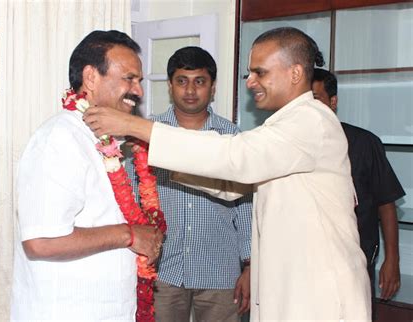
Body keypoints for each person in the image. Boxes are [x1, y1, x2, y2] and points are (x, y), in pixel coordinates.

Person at [83, 27, 372, 321]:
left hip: (318, 292)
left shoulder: (310, 121)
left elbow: (238, 159)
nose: (250, 82)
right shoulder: (284, 125)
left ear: (295, 73)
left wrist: (133, 126)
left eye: (260, 72)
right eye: (250, 73)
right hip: (292, 283)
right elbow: (233, 183)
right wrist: (158, 158)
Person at [10, 30, 164, 321]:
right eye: (129, 78)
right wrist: (129, 235)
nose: (139, 91)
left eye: (140, 81)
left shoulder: (106, 141)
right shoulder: (59, 139)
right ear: (91, 77)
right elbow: (41, 241)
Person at [126, 46, 252, 322]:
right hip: (162, 270)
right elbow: (131, 198)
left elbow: (245, 207)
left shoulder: (231, 137)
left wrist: (250, 264)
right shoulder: (148, 134)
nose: (191, 90)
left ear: (213, 87)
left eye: (200, 81)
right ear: (170, 86)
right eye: (182, 81)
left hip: (220, 271)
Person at [312, 68, 405, 303]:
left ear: (333, 102)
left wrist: (392, 258)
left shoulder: (364, 143)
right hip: (308, 260)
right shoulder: (291, 145)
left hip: (355, 259)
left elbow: (386, 202)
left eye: (315, 100)